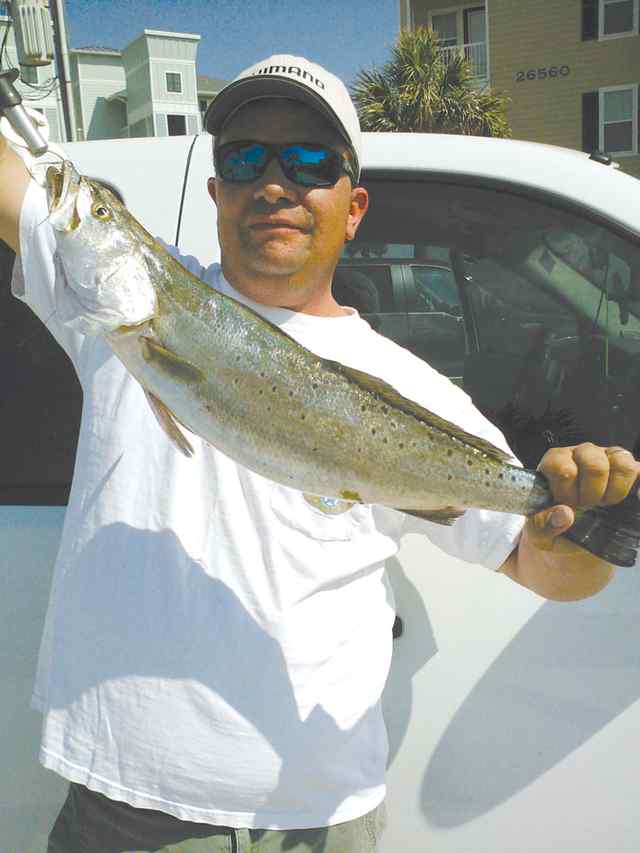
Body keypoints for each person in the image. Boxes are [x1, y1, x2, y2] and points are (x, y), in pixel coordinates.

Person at [1, 53, 639, 853]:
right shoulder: (114, 313)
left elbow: (546, 567)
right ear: (215, 193)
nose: (275, 182)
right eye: (244, 158)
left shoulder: (418, 393)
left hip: (318, 823)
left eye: (309, 161)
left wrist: (572, 528)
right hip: (123, 811)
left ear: (354, 203)